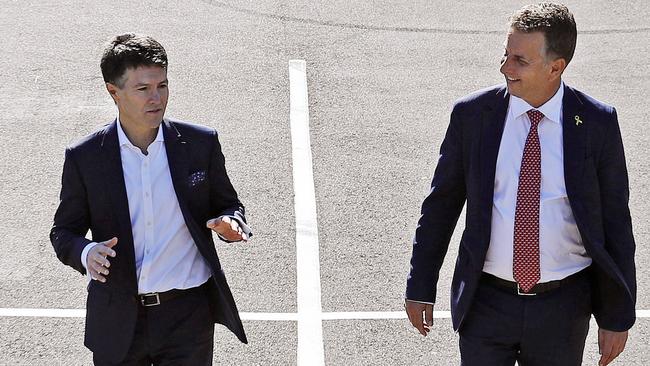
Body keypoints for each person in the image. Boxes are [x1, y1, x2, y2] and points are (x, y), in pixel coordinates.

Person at [404, 3, 636, 366]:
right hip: (486, 303)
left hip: (564, 309)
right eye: (506, 54)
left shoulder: (596, 123)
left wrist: (617, 315)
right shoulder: (473, 116)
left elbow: (616, 222)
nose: (505, 68)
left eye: (520, 61)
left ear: (555, 67)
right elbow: (440, 206)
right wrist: (420, 285)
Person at [50, 33, 252, 365]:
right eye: (143, 89)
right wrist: (87, 252)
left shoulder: (200, 144)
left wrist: (231, 223)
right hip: (118, 320)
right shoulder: (86, 157)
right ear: (113, 92)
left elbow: (229, 204)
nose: (156, 98)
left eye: (163, 85)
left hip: (187, 316)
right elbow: (62, 233)